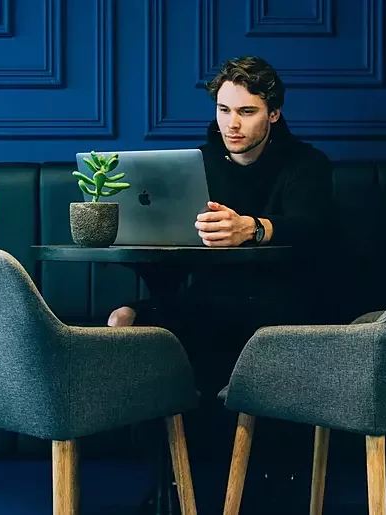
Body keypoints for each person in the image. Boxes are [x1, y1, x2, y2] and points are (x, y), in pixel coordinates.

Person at [108, 55, 335, 390]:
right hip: (207, 299)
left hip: (279, 303)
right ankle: (164, 438)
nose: (232, 124)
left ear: (273, 113)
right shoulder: (199, 163)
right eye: (224, 109)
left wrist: (253, 228)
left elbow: (312, 229)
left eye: (247, 112)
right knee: (122, 319)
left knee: (207, 330)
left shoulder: (306, 163)